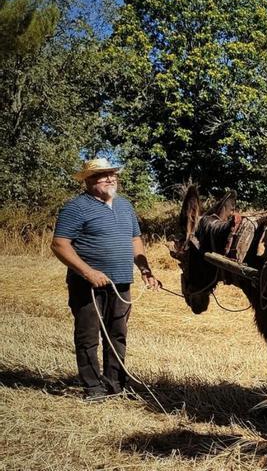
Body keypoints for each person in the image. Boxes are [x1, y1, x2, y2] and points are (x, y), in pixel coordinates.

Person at [51, 158, 159, 400]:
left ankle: (115, 385)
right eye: (103, 175)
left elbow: (135, 240)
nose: (111, 178)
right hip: (87, 285)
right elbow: (59, 245)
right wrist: (88, 272)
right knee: (88, 336)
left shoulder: (125, 206)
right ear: (89, 181)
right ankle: (93, 388)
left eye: (113, 174)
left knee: (117, 334)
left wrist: (145, 270)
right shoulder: (75, 208)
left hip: (121, 282)